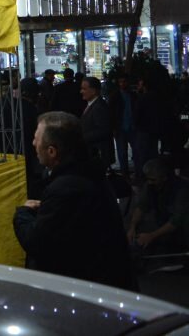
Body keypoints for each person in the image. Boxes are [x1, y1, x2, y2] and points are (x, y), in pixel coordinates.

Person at [13, 111, 135, 289]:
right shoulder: (90, 174)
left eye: (36, 139)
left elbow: (38, 243)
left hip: (88, 289)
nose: (33, 143)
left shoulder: (66, 188)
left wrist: (23, 213)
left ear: (52, 151)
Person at [127, 159, 189, 256]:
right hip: (163, 221)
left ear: (164, 177)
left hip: (182, 227)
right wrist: (132, 227)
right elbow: (141, 206)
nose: (149, 182)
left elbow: (177, 220)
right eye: (148, 179)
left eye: (153, 180)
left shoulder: (182, 190)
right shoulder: (150, 186)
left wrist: (151, 236)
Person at [80, 76, 114, 166]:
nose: (81, 91)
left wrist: (81, 137)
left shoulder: (99, 107)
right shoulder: (92, 104)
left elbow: (104, 130)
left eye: (84, 89)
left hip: (98, 154)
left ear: (93, 91)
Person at [112, 73, 136, 176]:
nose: (122, 84)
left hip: (129, 126)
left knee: (130, 151)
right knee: (123, 152)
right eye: (120, 82)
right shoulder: (116, 96)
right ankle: (126, 173)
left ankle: (127, 173)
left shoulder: (131, 95)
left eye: (124, 82)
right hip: (122, 127)